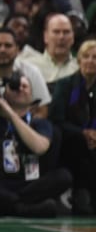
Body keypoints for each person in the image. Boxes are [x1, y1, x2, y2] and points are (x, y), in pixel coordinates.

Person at [0, 75, 72, 217]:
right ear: (4, 94)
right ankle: (20, 207)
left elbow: (40, 147)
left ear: (31, 98)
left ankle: (2, 206)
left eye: (25, 86)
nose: (20, 89)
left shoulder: (39, 123)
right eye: (15, 87)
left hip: (29, 184)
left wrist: (11, 114)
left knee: (64, 176)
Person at [49, 39, 96, 214]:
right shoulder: (66, 85)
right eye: (86, 56)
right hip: (70, 139)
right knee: (79, 145)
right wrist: (84, 133)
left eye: (95, 57)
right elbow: (56, 120)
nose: (90, 61)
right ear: (79, 60)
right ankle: (80, 193)